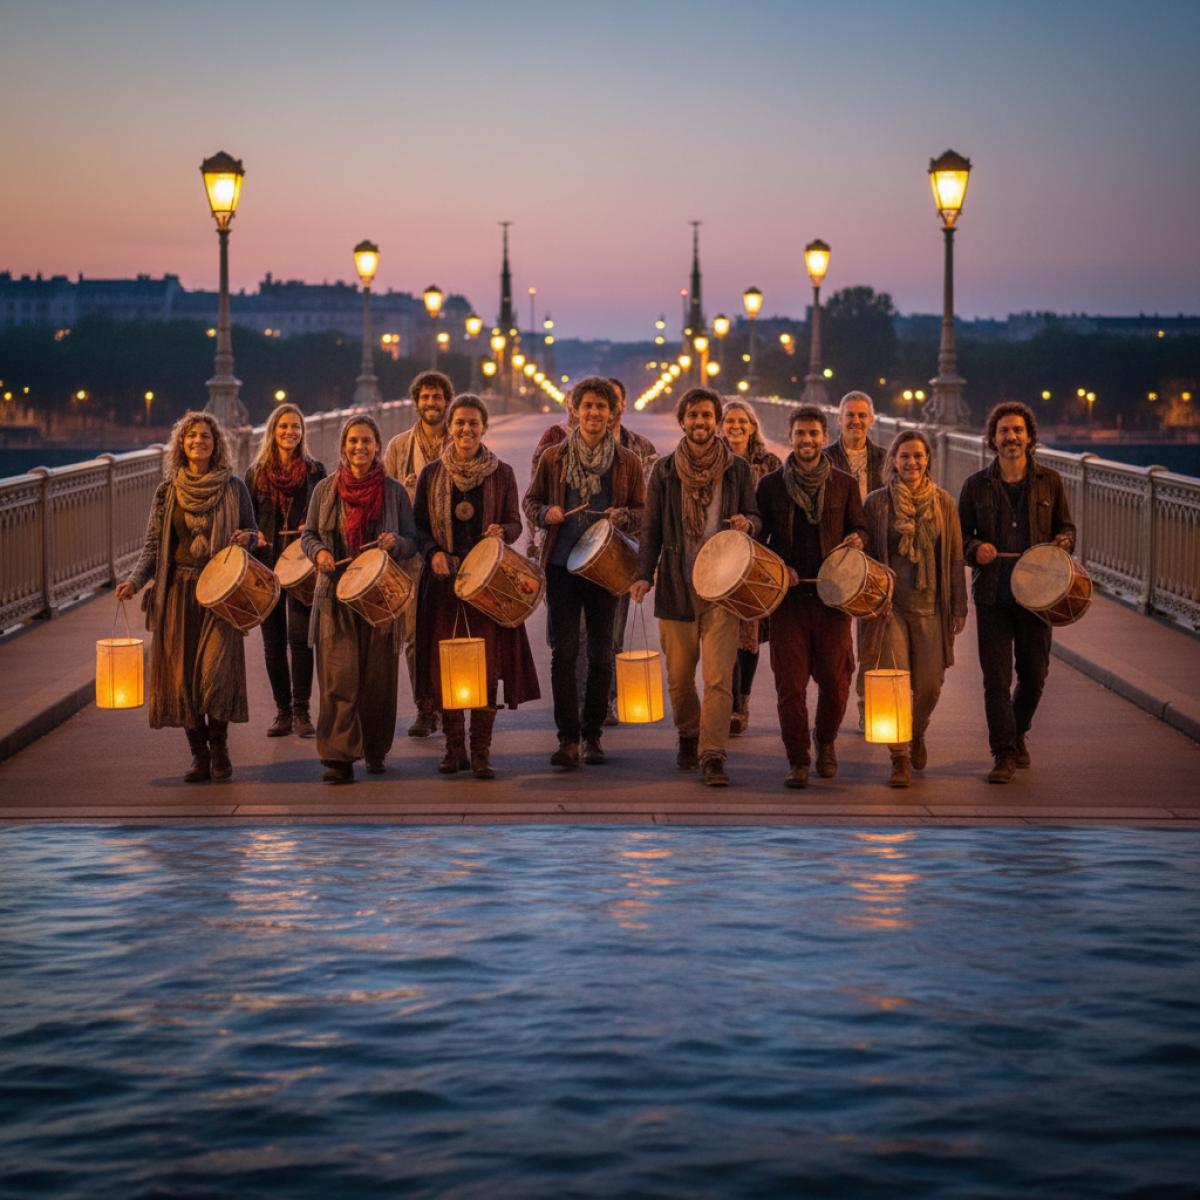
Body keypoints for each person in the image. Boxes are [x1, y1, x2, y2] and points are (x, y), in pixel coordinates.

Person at [116, 411, 257, 783]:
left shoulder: (234, 487)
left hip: (220, 595)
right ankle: (199, 755)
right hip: (177, 594)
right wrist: (134, 581)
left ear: (216, 444)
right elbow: (152, 546)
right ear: (182, 443)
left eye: (206, 436)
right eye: (192, 436)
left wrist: (248, 539)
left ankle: (221, 747)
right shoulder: (167, 492)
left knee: (217, 673)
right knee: (183, 680)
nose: (199, 441)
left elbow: (254, 533)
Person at [630, 387, 759, 787]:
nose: (700, 423)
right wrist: (642, 574)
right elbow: (650, 530)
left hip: (723, 590)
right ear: (682, 421)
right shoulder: (665, 471)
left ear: (716, 421)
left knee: (719, 678)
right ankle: (688, 731)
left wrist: (748, 524)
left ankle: (712, 754)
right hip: (676, 587)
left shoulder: (736, 469)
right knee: (679, 679)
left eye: (707, 416)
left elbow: (755, 515)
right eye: (693, 416)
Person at [414, 394, 540, 779]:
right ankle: (454, 750)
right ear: (449, 428)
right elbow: (417, 527)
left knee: (486, 667)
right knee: (446, 666)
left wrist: (503, 531)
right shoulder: (432, 474)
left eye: (473, 423)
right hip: (443, 584)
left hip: (488, 586)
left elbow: (516, 525)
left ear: (485, 427)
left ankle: (481, 751)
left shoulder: (500, 473)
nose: (466, 430)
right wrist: (432, 550)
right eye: (459, 423)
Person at [523, 376, 645, 768]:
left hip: (605, 566)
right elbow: (531, 501)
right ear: (574, 411)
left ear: (613, 414)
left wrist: (623, 515)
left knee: (601, 653)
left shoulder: (627, 462)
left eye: (601, 407)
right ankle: (567, 737)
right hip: (562, 565)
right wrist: (547, 513)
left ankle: (593, 735)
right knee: (564, 653)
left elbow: (644, 513)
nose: (594, 413)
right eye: (587, 406)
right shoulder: (553, 457)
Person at [958, 402, 1075, 783]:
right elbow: (959, 538)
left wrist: (1064, 541)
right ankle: (1003, 753)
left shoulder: (1050, 482)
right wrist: (976, 550)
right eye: (1004, 431)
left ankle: (1018, 730)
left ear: (1029, 437)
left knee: (1034, 674)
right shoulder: (975, 485)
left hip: (1039, 595)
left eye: (1018, 431)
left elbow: (1067, 527)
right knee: (995, 678)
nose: (1011, 437)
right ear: (993, 438)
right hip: (993, 594)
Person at [756, 405, 867, 788]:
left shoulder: (844, 482)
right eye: (800, 434)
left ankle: (826, 741)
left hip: (833, 599)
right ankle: (798, 759)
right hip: (788, 600)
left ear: (824, 438)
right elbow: (759, 542)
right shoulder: (770, 485)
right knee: (790, 686)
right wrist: (776, 566)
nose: (806, 440)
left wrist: (858, 540)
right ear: (791, 437)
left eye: (813, 434)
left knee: (836, 684)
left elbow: (860, 527)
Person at [302, 414, 416, 784]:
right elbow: (309, 536)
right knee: (339, 677)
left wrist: (395, 543)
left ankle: (375, 749)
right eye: (353, 441)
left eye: (366, 441)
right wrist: (319, 553)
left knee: (378, 680)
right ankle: (338, 756)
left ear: (378, 447)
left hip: (381, 597)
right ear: (343, 446)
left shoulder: (394, 491)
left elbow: (412, 541)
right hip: (336, 597)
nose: (359, 447)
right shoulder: (325, 490)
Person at [861, 431, 967, 787]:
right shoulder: (877, 503)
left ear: (928, 460)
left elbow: (954, 557)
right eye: (904, 456)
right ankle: (900, 756)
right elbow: (867, 557)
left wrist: (959, 606)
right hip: (890, 609)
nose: (912, 463)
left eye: (918, 456)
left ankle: (917, 729)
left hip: (932, 606)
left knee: (930, 685)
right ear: (893, 460)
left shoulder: (944, 503)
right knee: (893, 682)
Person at [246, 402, 326, 739]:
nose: (290, 432)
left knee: (300, 640)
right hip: (266, 567)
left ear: (302, 433)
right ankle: (282, 711)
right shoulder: (255, 473)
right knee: (273, 643)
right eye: (283, 427)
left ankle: (302, 710)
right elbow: (245, 518)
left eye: (296, 427)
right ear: (272, 431)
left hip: (301, 567)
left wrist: (313, 525)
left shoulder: (315, 472)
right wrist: (253, 534)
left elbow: (325, 515)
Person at [384, 370, 452, 739]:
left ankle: (450, 705)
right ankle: (424, 708)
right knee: (413, 635)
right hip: (411, 553)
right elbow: (387, 498)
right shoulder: (397, 447)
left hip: (447, 551)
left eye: (437, 397)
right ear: (416, 403)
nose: (431, 404)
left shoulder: (459, 440)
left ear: (447, 402)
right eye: (425, 398)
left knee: (448, 633)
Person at [825, 390, 887, 730]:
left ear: (872, 420)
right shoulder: (825, 458)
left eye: (862, 415)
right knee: (837, 640)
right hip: (837, 559)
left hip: (875, 558)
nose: (856, 421)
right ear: (839, 419)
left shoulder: (886, 458)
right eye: (850, 415)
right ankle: (834, 703)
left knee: (873, 639)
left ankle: (866, 704)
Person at [720, 398, 782, 736]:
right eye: (729, 421)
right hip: (722, 557)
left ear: (753, 426)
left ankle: (741, 701)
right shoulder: (713, 459)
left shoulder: (770, 462)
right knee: (724, 631)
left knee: (750, 635)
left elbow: (777, 509)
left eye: (742, 421)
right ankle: (728, 704)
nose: (736, 427)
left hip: (757, 557)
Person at [604, 376, 658, 726]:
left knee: (612, 632)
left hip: (623, 555)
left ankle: (605, 698)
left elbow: (651, 508)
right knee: (573, 637)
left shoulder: (641, 448)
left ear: (623, 405)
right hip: (576, 556)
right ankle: (583, 697)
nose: (605, 410)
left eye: (612, 401)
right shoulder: (564, 447)